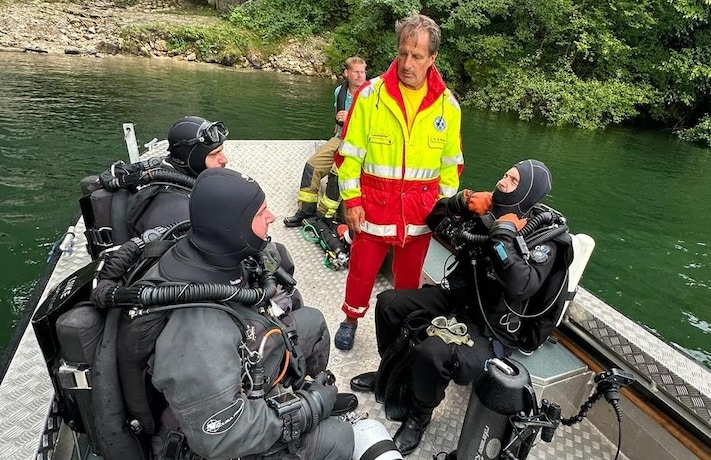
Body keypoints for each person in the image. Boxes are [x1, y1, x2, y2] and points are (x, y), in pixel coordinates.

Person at [116, 168, 355, 459]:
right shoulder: (198, 332)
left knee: (312, 323)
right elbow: (219, 437)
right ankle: (311, 406)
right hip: (208, 436)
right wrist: (309, 408)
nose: (271, 217)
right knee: (338, 438)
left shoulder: (211, 254)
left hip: (240, 365)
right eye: (261, 212)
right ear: (234, 226)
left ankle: (305, 392)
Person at [349, 160, 574, 455]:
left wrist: (503, 233)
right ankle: (391, 372)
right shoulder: (487, 211)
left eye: (513, 180)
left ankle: (419, 415)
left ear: (529, 191)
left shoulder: (544, 240)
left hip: (493, 325)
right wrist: (462, 201)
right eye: (504, 174)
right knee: (389, 304)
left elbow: (522, 285)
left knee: (434, 350)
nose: (503, 181)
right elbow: (434, 221)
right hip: (459, 298)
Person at [333, 14, 463, 350]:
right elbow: (348, 156)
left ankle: (404, 329)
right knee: (361, 272)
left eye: (417, 56)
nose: (407, 63)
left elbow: (451, 166)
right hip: (373, 206)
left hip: (420, 213)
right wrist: (352, 200)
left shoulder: (447, 106)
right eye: (402, 53)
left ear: (432, 59)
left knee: (409, 281)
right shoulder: (370, 96)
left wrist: (443, 211)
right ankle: (351, 317)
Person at [82, 115, 229, 259]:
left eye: (221, 151)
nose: (224, 159)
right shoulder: (175, 210)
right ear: (192, 158)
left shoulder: (173, 174)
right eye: (214, 154)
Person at [283, 56, 368, 227]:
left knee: (337, 174)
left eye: (363, 72)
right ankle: (305, 211)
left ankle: (324, 216)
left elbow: (376, 126)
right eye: (356, 72)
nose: (360, 76)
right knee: (311, 167)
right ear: (346, 73)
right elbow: (337, 118)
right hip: (340, 138)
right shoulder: (339, 92)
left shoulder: (372, 95)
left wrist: (350, 118)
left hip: (361, 144)